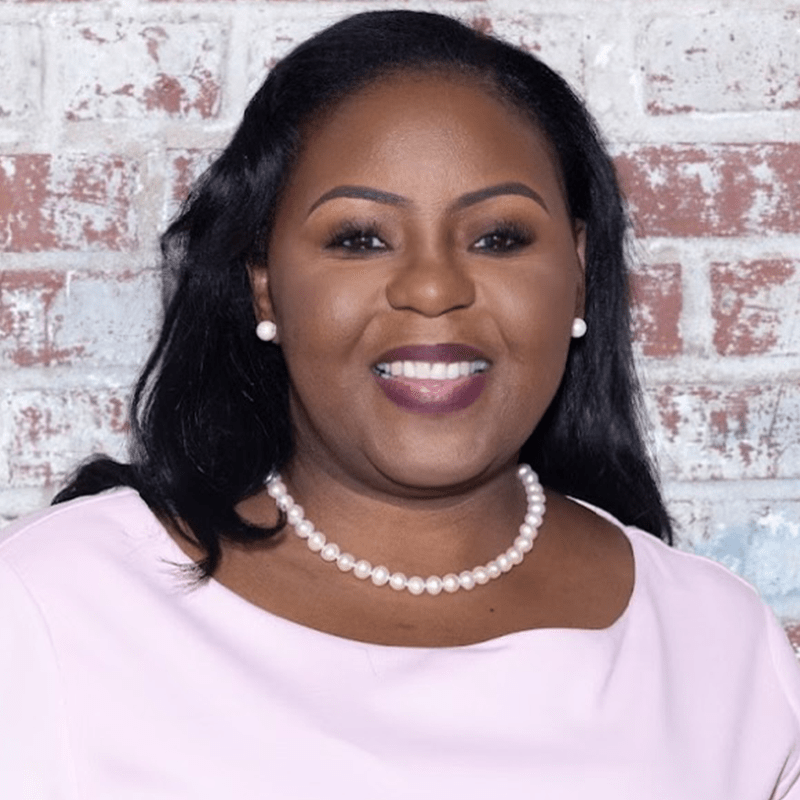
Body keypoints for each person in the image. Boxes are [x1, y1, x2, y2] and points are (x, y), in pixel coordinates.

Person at [1, 9, 798, 798]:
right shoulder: (57, 608)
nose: (433, 288)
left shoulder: (719, 649)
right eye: (360, 238)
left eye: (498, 237)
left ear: (579, 271)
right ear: (264, 283)